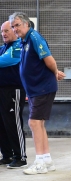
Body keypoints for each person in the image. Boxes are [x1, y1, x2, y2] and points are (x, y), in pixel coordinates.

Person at [9, 12, 65, 175]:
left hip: (42, 88)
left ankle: (40, 162)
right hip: (34, 90)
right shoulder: (23, 40)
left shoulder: (34, 37)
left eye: (17, 25)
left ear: (27, 24)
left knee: (34, 123)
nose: (15, 28)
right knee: (38, 123)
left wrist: (55, 72)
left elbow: (49, 59)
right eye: (13, 26)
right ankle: (47, 160)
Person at [0, 21, 27, 168]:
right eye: (2, 32)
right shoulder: (3, 48)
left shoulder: (17, 47)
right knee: (2, 124)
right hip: (1, 91)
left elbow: (6, 60)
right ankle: (7, 155)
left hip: (13, 91)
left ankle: (20, 156)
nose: (3, 34)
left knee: (13, 123)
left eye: (6, 31)